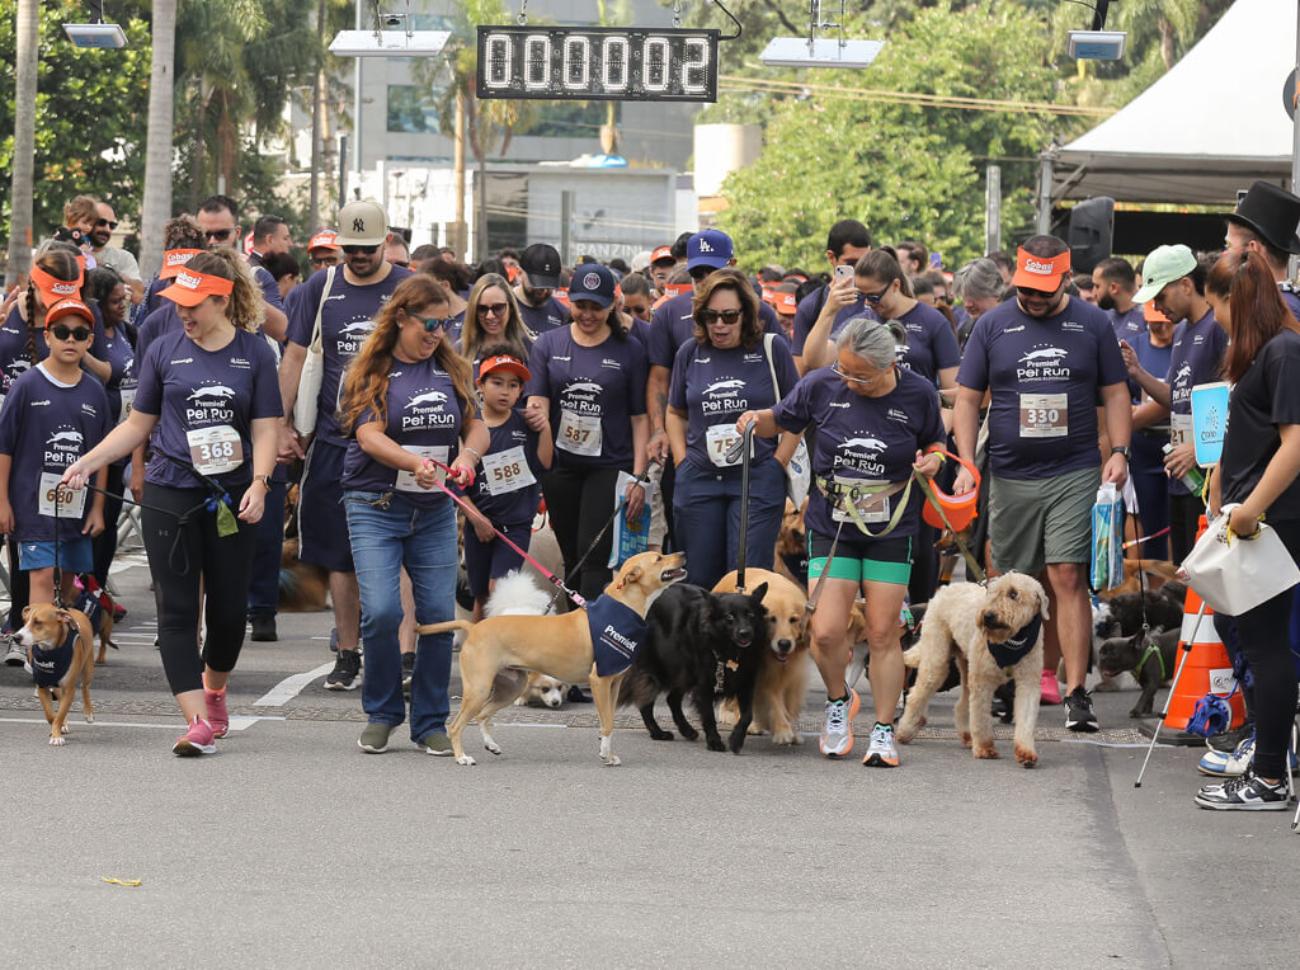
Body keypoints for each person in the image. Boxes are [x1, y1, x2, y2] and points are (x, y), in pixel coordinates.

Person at [61, 250, 282, 757]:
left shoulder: (255, 353)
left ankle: (215, 690)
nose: (183, 312)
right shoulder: (162, 349)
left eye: (193, 304)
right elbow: (138, 424)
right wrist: (86, 463)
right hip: (170, 491)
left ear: (222, 300)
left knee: (229, 615)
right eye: (178, 303)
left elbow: (267, 428)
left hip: (232, 497)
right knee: (177, 612)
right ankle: (197, 721)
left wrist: (261, 483)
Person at [738, 318, 946, 766]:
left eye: (860, 376)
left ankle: (883, 730)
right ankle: (839, 700)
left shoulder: (917, 393)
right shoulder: (821, 385)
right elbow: (780, 419)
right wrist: (755, 419)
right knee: (826, 631)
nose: (848, 381)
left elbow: (935, 443)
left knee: (883, 632)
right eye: (843, 370)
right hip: (832, 526)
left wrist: (933, 461)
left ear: (888, 366)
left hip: (890, 528)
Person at [953, 237, 1131, 730]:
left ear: (1066, 280)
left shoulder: (1093, 323)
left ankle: (1076, 691)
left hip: (1073, 469)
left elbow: (1116, 392)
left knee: (1066, 574)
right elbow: (967, 398)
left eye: (1042, 291)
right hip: (1010, 473)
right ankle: (1011, 679)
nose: (1031, 298)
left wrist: (1119, 451)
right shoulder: (991, 325)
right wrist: (967, 462)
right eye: (1025, 289)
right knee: (1010, 580)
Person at [336, 274, 484, 755]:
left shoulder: (451, 369)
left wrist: (467, 458)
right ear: (401, 318)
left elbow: (476, 426)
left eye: (445, 325)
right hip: (375, 505)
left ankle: (431, 721)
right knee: (382, 611)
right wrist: (412, 462)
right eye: (429, 324)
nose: (438, 334)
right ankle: (382, 713)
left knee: (438, 615)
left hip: (434, 508)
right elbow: (368, 436)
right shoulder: (372, 370)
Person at [278, 199, 411, 690]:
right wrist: (281, 425)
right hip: (335, 440)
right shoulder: (321, 287)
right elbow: (294, 357)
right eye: (350, 248)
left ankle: (405, 654)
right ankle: (348, 652)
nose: (358, 256)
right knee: (338, 554)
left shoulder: (407, 287)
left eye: (367, 248)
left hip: (396, 440)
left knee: (402, 549)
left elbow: (434, 352)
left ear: (385, 243)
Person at [1193, 251, 1300, 811]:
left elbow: (1296, 443)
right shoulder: (1267, 350)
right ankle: (1266, 769)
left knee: (1266, 645)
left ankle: (1269, 777)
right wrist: (1222, 486)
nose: (1214, 319)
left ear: (1232, 301)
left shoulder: (1283, 350)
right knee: (1250, 635)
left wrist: (1251, 508)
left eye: (1215, 305)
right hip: (1254, 517)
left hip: (1272, 522)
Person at [646, 229, 788, 548]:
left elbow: (794, 402)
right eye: (698, 273)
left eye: (713, 271)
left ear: (732, 266)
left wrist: (778, 463)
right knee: (696, 567)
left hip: (755, 472)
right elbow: (662, 386)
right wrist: (677, 454)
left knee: (744, 569)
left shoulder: (763, 316)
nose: (705, 280)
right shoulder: (670, 314)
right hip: (699, 466)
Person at [666, 268, 799, 590]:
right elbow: (674, 412)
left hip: (756, 477)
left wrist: (778, 463)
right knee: (698, 582)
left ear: (746, 314)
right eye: (710, 316)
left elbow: (797, 414)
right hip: (700, 477)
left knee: (745, 580)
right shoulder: (690, 352)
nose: (719, 325)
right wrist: (681, 461)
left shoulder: (772, 349)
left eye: (729, 316)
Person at [526, 264, 649, 600]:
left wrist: (639, 477)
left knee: (593, 555)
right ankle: (574, 627)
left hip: (609, 465)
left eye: (596, 307)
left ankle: (592, 626)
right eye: (581, 305)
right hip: (561, 466)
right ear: (569, 302)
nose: (588, 314)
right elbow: (538, 404)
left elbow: (640, 418)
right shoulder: (548, 344)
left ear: (612, 306)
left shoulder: (630, 350)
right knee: (571, 557)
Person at [0, 298, 110, 607]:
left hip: (76, 508)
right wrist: (2, 501)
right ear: (47, 337)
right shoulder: (26, 385)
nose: (70, 339)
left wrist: (97, 507)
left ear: (90, 340)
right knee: (42, 577)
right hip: (32, 507)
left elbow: (102, 453)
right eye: (62, 332)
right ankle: (38, 641)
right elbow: (4, 446)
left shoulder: (94, 391)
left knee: (69, 586)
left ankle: (66, 637)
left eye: (79, 333)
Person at [1123, 245, 1226, 562]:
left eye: (1161, 296)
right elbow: (1176, 397)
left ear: (1186, 284)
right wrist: (1138, 372)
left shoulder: (1218, 326)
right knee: (1182, 566)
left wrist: (1200, 448)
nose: (1157, 307)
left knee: (1204, 568)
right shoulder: (1181, 332)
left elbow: (1234, 398)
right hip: (1182, 475)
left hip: (1211, 477)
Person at [459, 345, 552, 619]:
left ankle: (501, 642)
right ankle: (478, 643)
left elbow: (545, 463)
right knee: (481, 596)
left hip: (515, 526)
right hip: (479, 525)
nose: (505, 391)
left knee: (499, 591)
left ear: (522, 390)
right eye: (497, 383)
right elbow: (455, 486)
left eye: (513, 385)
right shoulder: (469, 426)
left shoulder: (525, 424)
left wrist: (545, 427)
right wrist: (475, 519)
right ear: (480, 384)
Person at [86, 267, 139, 587]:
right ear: (98, 304)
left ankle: (99, 590)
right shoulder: (90, 337)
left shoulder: (126, 332)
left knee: (110, 521)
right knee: (97, 520)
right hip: (99, 441)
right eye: (115, 301)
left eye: (125, 300)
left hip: (124, 442)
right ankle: (87, 589)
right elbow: (104, 374)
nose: (122, 306)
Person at [1118, 303, 1176, 560]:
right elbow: (1121, 404)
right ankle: (1153, 581)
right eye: (1154, 321)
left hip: (1176, 445)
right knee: (1147, 520)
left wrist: (1150, 410)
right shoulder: (1136, 347)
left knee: (1177, 521)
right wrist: (1162, 406)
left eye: (1165, 321)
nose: (1161, 326)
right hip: (1143, 450)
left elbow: (1181, 398)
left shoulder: (1182, 345)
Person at [196, 195, 288, 341]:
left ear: (237, 233)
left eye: (221, 234)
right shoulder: (184, 274)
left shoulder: (255, 274)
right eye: (204, 235)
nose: (212, 241)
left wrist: (242, 288)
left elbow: (282, 331)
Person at [789, 220, 874, 374]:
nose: (860, 269)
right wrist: (829, 310)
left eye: (865, 262)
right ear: (832, 257)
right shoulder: (812, 305)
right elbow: (801, 372)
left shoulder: (878, 299)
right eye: (851, 263)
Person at [1224, 180, 1300, 320]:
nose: (1224, 254)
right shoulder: (1277, 304)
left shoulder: (1279, 311)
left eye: (1229, 245)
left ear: (1253, 249)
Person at [459, 272, 532, 367]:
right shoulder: (462, 349)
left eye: (498, 308)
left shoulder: (528, 347)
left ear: (511, 307)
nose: (490, 316)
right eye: (482, 309)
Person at [90, 201, 144, 304]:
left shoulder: (124, 258)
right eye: (101, 223)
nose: (107, 229)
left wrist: (107, 269)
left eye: (112, 225)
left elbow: (139, 295)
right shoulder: (72, 253)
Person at [514, 244, 570, 335]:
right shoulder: (503, 306)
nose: (544, 290)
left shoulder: (562, 314)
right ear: (519, 273)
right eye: (538, 284)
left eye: (549, 284)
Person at [952, 257, 1005, 349]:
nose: (967, 304)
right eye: (964, 297)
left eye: (975, 295)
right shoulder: (966, 328)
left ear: (996, 292)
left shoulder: (1012, 329)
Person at [1092, 257, 1144, 340]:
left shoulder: (1148, 318)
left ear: (1114, 288)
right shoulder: (1101, 316)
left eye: (1097, 286)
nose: (1093, 294)